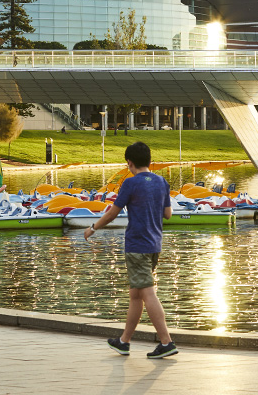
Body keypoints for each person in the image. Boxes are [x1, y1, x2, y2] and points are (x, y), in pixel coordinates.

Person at [84, 141, 178, 359]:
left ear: (129, 163)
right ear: (150, 160)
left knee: (147, 291)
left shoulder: (131, 183)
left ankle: (167, 342)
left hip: (137, 246)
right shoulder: (162, 182)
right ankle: (124, 341)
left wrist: (92, 228)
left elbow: (112, 214)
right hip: (155, 245)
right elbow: (168, 214)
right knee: (136, 294)